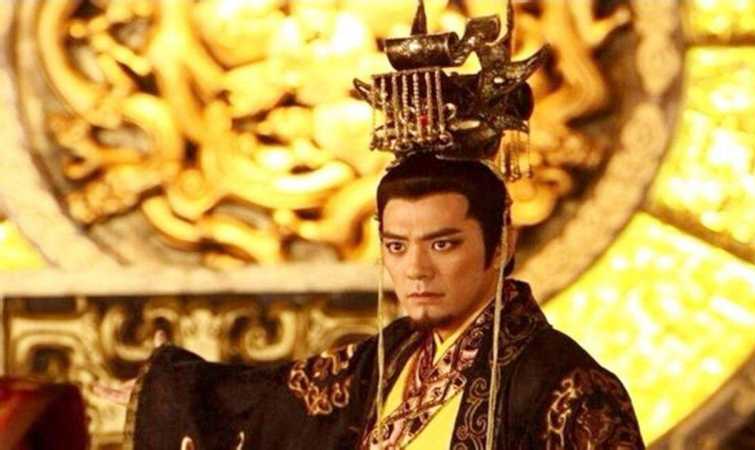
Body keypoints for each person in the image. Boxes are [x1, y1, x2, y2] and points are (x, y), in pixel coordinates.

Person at [97, 2, 645, 449]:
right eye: (397, 246)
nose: (416, 270)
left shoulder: (568, 389)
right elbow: (268, 399)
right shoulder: (390, 359)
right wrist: (163, 392)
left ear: (501, 243)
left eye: (443, 244)